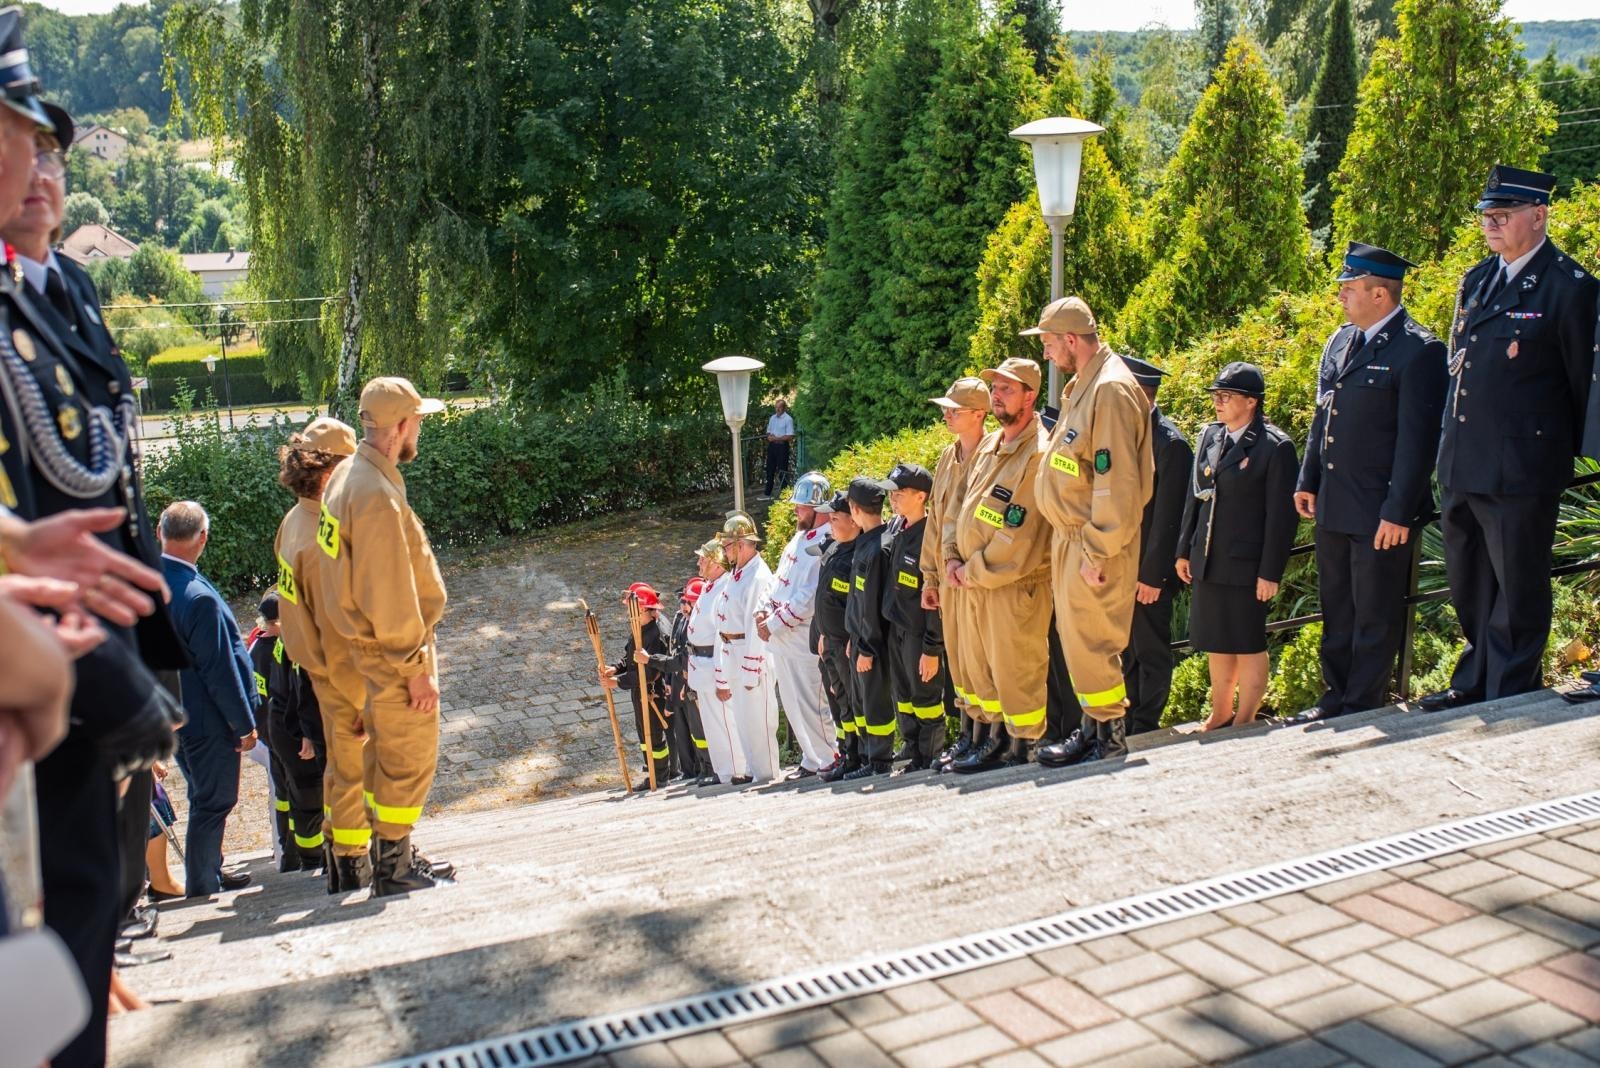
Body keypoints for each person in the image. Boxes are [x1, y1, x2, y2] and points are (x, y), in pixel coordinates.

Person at [0, 59, 183, 1061]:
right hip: (34, 664)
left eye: (50, 149)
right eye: (18, 144)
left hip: (82, 654)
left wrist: (141, 659)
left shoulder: (62, 286)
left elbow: (108, 490)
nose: (40, 170)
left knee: (83, 916)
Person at [1423, 166, 1600, 711]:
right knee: (1469, 578)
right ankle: (1475, 678)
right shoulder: (1477, 280)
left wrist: (1553, 451)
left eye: (1502, 216)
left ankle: (1510, 689)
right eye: (1486, 217)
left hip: (1523, 463)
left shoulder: (1569, 287)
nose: (1491, 225)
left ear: (1539, 216)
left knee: (1518, 583)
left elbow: (1579, 381)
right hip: (1465, 459)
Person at [1294, 242, 1448, 722]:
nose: (1341, 295)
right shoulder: (1341, 341)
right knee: (1337, 607)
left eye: (1350, 288)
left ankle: (1362, 702)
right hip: (1336, 503)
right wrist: (1309, 478)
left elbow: (1416, 441)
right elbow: (1324, 418)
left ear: (1380, 294)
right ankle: (1335, 695)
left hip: (1380, 510)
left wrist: (1398, 510)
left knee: (1374, 611)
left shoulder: (1418, 350)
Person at [313, 376, 452, 895]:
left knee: (380, 761)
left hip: (367, 650)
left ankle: (393, 857)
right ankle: (394, 869)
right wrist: (416, 669)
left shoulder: (351, 474)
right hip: (395, 653)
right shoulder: (372, 494)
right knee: (407, 757)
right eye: (417, 421)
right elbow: (389, 592)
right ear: (400, 426)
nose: (420, 429)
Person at [1026, 298, 1153, 769]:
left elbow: (1117, 484)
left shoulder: (1112, 390)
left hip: (1095, 541)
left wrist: (1097, 550)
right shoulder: (1086, 386)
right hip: (1073, 538)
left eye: (1049, 343)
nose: (1046, 354)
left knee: (1095, 639)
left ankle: (1109, 736)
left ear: (1072, 340)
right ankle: (1092, 727)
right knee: (1079, 640)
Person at [270, 415, 370, 891]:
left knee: (338, 771)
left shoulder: (293, 522)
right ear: (329, 471)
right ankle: (362, 864)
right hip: (343, 665)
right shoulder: (324, 531)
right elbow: (342, 611)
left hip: (315, 665)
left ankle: (341, 860)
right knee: (360, 769)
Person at [1176, 364, 1299, 729]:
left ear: (1251, 402)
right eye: (1216, 396)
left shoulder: (1274, 446)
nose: (1218, 402)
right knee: (1217, 639)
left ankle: (1245, 716)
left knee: (1246, 641)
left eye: (1226, 396)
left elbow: (1281, 518)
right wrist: (1185, 549)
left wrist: (1270, 572)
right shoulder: (1210, 437)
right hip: (1210, 557)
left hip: (1246, 563)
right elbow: (1195, 499)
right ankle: (1221, 711)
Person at [946, 358, 1052, 773]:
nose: (998, 395)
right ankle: (995, 740)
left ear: (1030, 395)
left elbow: (1017, 535)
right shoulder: (991, 445)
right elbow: (962, 508)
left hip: (1011, 583)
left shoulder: (1038, 451)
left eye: (1008, 388)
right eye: (996, 387)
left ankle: (1023, 748)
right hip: (975, 580)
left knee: (1017, 668)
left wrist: (970, 571)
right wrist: (954, 556)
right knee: (986, 669)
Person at [159, 501, 257, 895]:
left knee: (203, 793)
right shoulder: (196, 596)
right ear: (203, 537)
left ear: (160, 533)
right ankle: (203, 884)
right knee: (214, 801)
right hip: (207, 718)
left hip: (175, 714)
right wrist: (244, 723)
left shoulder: (153, 582)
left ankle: (211, 868)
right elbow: (219, 669)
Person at [1110, 355, 1193, 736]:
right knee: (1126, 651)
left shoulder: (1169, 443)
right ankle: (1127, 716)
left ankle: (1145, 722)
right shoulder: (1127, 436)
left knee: (1152, 651)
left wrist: (1152, 575)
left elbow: (1168, 519)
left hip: (1148, 571)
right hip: (1124, 566)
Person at [919, 376, 990, 771]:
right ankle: (967, 734)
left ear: (980, 414)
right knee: (960, 659)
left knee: (982, 658)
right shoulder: (948, 456)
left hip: (974, 574)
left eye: (955, 410)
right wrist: (930, 576)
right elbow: (936, 521)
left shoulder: (991, 454)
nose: (947, 415)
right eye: (946, 408)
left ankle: (987, 737)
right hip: (948, 579)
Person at [756, 471, 837, 780]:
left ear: (817, 508)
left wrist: (775, 621)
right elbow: (779, 580)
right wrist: (763, 611)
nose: (795, 510)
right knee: (791, 702)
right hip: (782, 635)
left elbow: (811, 594)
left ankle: (829, 755)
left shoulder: (827, 539)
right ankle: (811, 756)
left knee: (812, 701)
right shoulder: (799, 537)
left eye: (801, 506)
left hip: (803, 635)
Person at [881, 464, 945, 771]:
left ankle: (931, 754)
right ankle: (914, 751)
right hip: (898, 630)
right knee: (904, 695)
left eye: (900, 493)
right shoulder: (898, 530)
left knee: (925, 696)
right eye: (891, 493)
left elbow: (934, 598)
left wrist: (932, 648)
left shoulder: (929, 536)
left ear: (921, 496)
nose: (893, 499)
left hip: (920, 633)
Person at [712, 512, 779, 784]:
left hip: (749, 654)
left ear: (742, 544)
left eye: (728, 546)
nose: (725, 552)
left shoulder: (758, 576)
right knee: (742, 718)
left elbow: (756, 627)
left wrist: (751, 669)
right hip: (733, 651)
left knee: (758, 721)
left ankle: (764, 773)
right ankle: (752, 769)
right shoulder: (738, 574)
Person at [840, 477, 895, 779]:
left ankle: (879, 759)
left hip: (870, 645)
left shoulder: (879, 547)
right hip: (859, 639)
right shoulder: (866, 543)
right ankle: (867, 756)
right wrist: (854, 637)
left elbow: (873, 605)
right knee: (862, 701)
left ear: (855, 509)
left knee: (874, 702)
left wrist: (867, 647)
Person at [600, 584, 677, 787]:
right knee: (644, 735)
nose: (628, 612)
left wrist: (618, 682)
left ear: (642, 609)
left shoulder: (656, 633)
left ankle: (660, 777)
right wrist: (616, 669)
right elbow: (630, 657)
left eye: (631, 607)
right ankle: (652, 770)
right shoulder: (638, 628)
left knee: (654, 736)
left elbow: (649, 673)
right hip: (638, 691)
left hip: (653, 692)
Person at [812, 493, 860, 780]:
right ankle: (848, 752)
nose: (829, 525)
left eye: (834, 519)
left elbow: (856, 605)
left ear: (854, 520)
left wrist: (851, 636)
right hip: (830, 641)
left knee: (853, 701)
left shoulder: (856, 553)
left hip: (845, 643)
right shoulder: (838, 550)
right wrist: (822, 634)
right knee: (840, 701)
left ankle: (860, 754)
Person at [686, 539, 736, 784]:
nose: (699, 562)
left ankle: (732, 770)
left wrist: (721, 677)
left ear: (716, 563)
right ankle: (721, 769)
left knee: (724, 723)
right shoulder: (709, 586)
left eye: (703, 559)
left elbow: (720, 635)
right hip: (700, 665)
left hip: (711, 662)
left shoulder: (723, 588)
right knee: (711, 724)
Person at [245, 593, 288, 864]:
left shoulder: (253, 648)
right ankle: (285, 853)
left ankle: (281, 850)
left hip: (262, 734)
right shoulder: (279, 649)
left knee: (277, 793)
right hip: (275, 735)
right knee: (281, 793)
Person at [666, 578, 710, 783]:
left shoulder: (699, 620)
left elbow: (688, 654)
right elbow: (675, 649)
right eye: (682, 601)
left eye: (687, 601)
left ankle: (708, 767)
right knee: (688, 731)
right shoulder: (681, 618)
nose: (683, 606)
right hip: (683, 680)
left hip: (694, 679)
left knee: (701, 730)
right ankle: (695, 769)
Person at [763, 399, 796, 497]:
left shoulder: (788, 419)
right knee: (770, 469)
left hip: (782, 446)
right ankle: (767, 493)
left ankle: (784, 494)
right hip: (772, 446)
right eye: (776, 407)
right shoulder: (772, 418)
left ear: (784, 408)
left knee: (782, 470)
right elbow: (768, 431)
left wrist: (777, 438)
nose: (777, 410)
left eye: (779, 408)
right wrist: (769, 436)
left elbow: (790, 436)